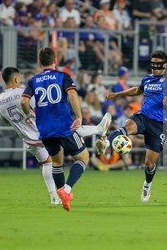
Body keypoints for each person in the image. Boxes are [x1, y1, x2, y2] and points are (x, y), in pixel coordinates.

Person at [20, 47, 111, 211]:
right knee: (83, 158)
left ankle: (63, 198)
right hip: (63, 126)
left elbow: (24, 102)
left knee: (56, 162)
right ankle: (66, 190)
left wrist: (27, 115)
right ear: (56, 61)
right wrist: (79, 117)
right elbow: (73, 95)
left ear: (40, 63)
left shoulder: (33, 80)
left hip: (45, 130)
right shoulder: (63, 76)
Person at [96, 51, 167, 202]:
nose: (154, 68)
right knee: (127, 126)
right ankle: (105, 142)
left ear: (164, 65)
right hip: (143, 116)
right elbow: (136, 90)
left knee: (149, 163)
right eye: (152, 64)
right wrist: (117, 94)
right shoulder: (147, 79)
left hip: (159, 124)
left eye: (157, 65)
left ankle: (147, 184)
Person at [0, 67, 61, 205]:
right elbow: (40, 107)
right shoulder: (24, 91)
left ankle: (54, 197)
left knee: (47, 163)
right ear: (15, 79)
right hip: (43, 132)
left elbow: (7, 120)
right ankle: (97, 129)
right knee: (72, 131)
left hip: (28, 140)